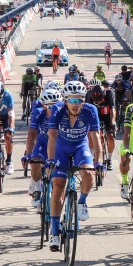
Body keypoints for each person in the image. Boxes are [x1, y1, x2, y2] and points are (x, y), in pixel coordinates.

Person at [46, 81, 102, 251]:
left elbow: (95, 137)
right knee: (58, 186)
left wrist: (98, 162)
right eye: (72, 100)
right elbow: (52, 136)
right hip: (61, 148)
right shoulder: (57, 110)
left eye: (79, 100)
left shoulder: (90, 110)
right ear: (65, 101)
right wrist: (50, 160)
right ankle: (55, 232)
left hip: (80, 146)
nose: (76, 104)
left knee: (89, 174)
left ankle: (82, 202)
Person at [24, 88, 63, 208]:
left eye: (55, 105)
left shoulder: (64, 113)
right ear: (44, 105)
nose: (53, 109)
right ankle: (37, 190)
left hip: (59, 144)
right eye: (49, 106)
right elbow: (31, 133)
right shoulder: (39, 112)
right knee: (35, 161)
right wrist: (28, 154)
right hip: (43, 142)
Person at [87, 84, 116, 169]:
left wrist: (113, 122)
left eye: (100, 100)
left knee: (111, 137)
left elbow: (113, 110)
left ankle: (109, 159)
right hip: (95, 117)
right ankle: (92, 156)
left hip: (107, 117)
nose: (98, 102)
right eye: (96, 101)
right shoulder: (89, 95)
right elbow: (86, 111)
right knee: (90, 136)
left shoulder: (109, 93)